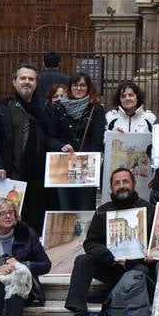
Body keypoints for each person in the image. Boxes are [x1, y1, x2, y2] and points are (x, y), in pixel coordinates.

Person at [65, 167, 151, 316]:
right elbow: (90, 243)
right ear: (111, 188)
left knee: (141, 270)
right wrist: (110, 257)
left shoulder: (148, 210)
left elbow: (156, 244)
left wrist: (146, 256)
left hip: (135, 269)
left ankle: (104, 314)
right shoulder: (103, 211)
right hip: (109, 265)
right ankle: (79, 313)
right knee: (83, 260)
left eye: (125, 181)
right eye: (116, 183)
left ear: (133, 184)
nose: (121, 186)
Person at [0, 63, 57, 234]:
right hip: (12, 180)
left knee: (35, 232)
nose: (27, 82)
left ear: (36, 83)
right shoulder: (3, 110)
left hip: (40, 185)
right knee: (8, 230)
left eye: (31, 79)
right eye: (23, 78)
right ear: (14, 82)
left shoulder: (47, 110)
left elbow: (54, 138)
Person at [44, 71, 106, 211]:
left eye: (83, 85)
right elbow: (51, 138)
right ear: (70, 87)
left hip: (87, 166)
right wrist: (61, 146)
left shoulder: (96, 109)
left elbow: (97, 140)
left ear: (88, 88)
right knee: (65, 209)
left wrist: (85, 159)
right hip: (64, 166)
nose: (79, 88)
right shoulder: (59, 108)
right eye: (75, 85)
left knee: (85, 209)